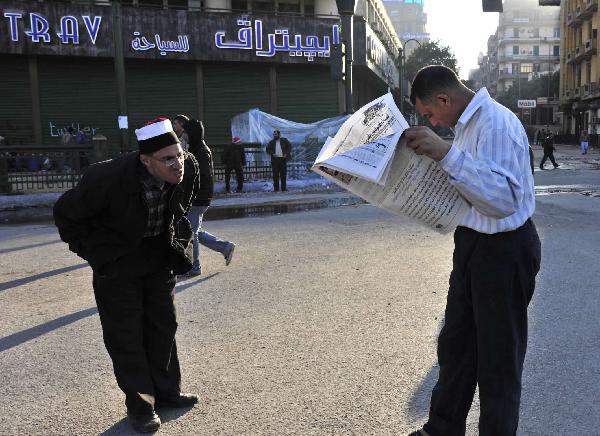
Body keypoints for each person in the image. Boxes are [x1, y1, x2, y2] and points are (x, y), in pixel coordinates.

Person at [402, 65, 541, 436]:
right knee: (456, 346)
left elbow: (503, 200)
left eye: (431, 114)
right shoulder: (465, 127)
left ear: (444, 99)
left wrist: (447, 155)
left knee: (498, 360)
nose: (432, 122)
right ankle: (442, 429)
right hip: (472, 244)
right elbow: (472, 188)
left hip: (504, 249)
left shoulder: (495, 123)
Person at [53, 118, 200, 433]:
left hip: (158, 257)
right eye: (168, 159)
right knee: (127, 337)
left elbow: (180, 208)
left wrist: (178, 242)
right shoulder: (105, 178)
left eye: (180, 154)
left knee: (163, 328)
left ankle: (167, 392)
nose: (178, 164)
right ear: (146, 161)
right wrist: (97, 254)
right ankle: (141, 407)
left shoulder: (187, 168)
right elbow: (66, 215)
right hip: (118, 264)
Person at [182, 118, 235, 277]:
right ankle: (225, 247)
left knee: (191, 232)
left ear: (192, 133)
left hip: (198, 197)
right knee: (194, 230)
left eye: (185, 132)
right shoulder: (196, 148)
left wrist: (191, 190)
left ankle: (195, 266)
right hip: (198, 196)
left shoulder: (200, 151)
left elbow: (203, 176)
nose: (183, 135)